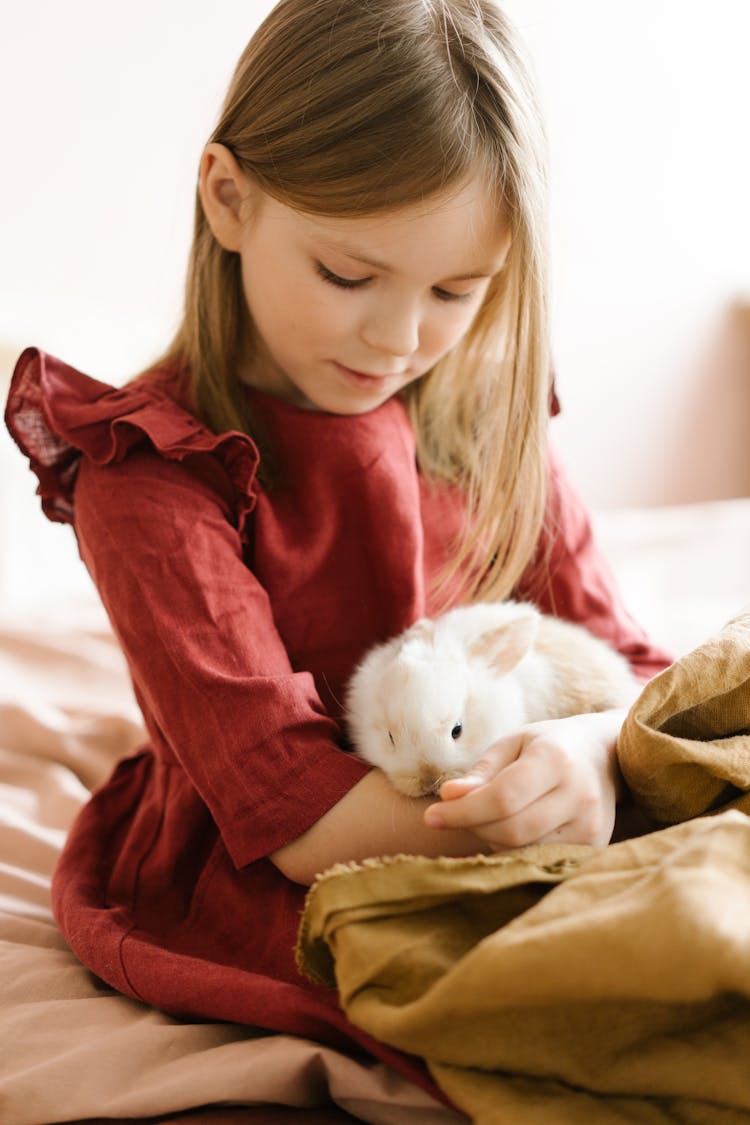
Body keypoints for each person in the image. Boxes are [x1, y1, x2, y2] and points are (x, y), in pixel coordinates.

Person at [5, 0, 671, 1096]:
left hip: (527, 808)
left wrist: (596, 758)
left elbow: (633, 668)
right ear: (230, 200)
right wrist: (537, 820)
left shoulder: (475, 414)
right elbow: (300, 821)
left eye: (458, 291)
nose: (401, 339)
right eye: (350, 277)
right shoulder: (151, 476)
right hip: (297, 860)